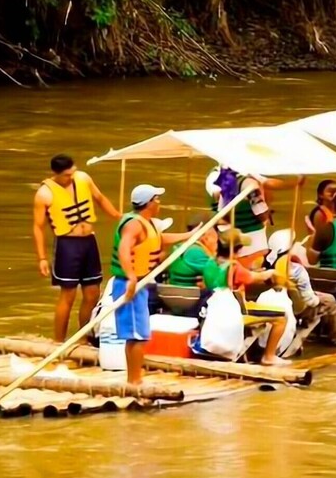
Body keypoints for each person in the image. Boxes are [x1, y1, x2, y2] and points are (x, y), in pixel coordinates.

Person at [111, 184, 194, 385]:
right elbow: (124, 247)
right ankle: (134, 381)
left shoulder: (148, 224)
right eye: (156, 199)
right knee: (138, 336)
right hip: (130, 284)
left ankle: (134, 379)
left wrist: (189, 236)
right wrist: (131, 277)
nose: (159, 203)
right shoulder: (134, 224)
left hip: (141, 284)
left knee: (138, 335)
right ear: (148, 203)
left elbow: (160, 239)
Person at [33, 154, 120, 342]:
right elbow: (38, 227)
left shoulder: (83, 178)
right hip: (67, 245)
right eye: (67, 175)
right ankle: (59, 342)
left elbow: (99, 197)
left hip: (89, 241)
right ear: (56, 174)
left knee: (92, 292)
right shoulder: (44, 193)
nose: (71, 177)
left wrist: (116, 215)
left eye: (73, 173)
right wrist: (41, 257)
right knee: (69, 294)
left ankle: (84, 337)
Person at [202, 231, 292, 366]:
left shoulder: (209, 263)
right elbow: (257, 278)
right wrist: (271, 273)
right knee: (282, 317)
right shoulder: (234, 268)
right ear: (237, 250)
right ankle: (269, 356)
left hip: (212, 308)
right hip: (236, 309)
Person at [207, 166, 304, 267]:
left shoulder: (223, 179)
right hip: (254, 243)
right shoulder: (249, 183)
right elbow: (261, 214)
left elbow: (222, 212)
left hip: (233, 240)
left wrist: (295, 183)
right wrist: (267, 204)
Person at [265, 230, 336, 343]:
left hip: (271, 303)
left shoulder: (265, 267)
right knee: (330, 300)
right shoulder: (297, 271)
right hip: (299, 308)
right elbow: (310, 301)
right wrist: (317, 298)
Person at [167, 214, 217, 287]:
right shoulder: (195, 252)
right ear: (206, 236)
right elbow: (221, 277)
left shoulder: (180, 246)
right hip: (190, 295)